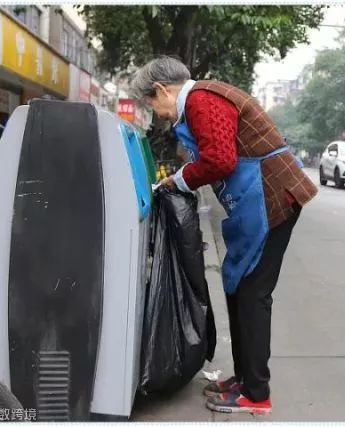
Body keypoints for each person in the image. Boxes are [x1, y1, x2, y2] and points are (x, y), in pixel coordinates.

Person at [130, 56, 318, 414]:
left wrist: (178, 180)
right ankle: (245, 378)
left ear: (161, 90)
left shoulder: (201, 100)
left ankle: (256, 394)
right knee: (238, 286)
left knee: (253, 293)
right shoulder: (200, 100)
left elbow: (219, 160)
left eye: (152, 104)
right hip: (259, 200)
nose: (158, 114)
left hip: (272, 198)